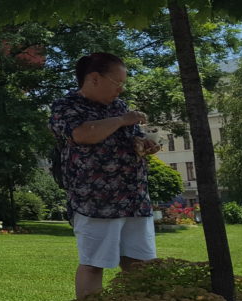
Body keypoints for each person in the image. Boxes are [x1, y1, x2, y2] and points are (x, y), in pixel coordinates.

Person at [49, 52, 160, 300]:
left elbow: (132, 138)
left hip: (135, 199)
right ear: (94, 78)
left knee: (142, 265)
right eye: (117, 83)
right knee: (93, 264)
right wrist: (122, 120)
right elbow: (82, 134)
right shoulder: (66, 106)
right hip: (95, 202)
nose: (121, 90)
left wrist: (144, 144)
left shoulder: (119, 106)